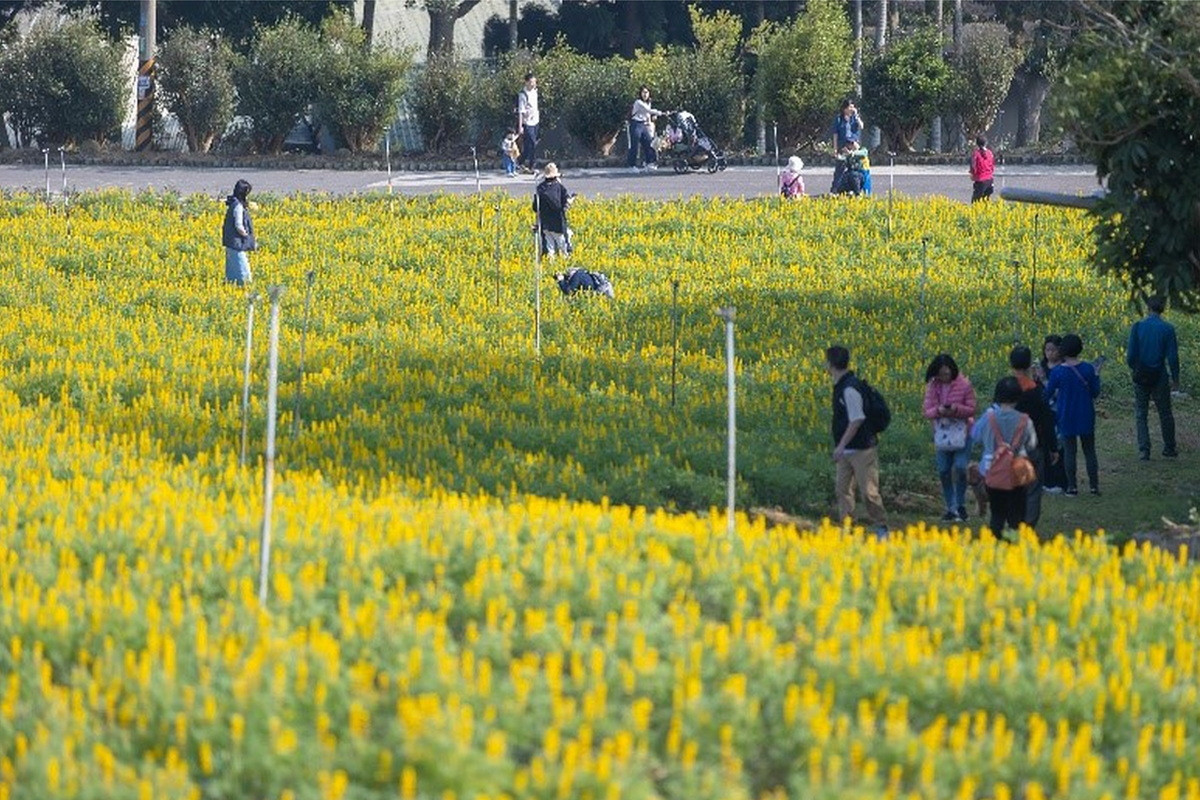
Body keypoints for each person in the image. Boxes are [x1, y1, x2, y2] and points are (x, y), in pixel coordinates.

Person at [826, 345, 887, 532]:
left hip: (862, 449)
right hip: (847, 449)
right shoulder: (842, 385)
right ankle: (848, 526)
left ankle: (881, 526)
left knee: (869, 492)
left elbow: (857, 419)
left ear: (830, 364)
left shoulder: (849, 389)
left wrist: (841, 445)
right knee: (842, 489)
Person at [971, 377, 1038, 537]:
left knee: (997, 512)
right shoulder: (1025, 420)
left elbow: (975, 435)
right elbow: (1032, 444)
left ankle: (996, 540)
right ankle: (1014, 541)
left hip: (992, 470)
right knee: (1016, 512)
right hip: (1017, 471)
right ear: (1018, 396)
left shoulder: (988, 417)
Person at [1044, 333, 1101, 496]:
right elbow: (1095, 392)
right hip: (1086, 414)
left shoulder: (1058, 372)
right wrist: (1097, 376)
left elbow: (1047, 394)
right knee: (1089, 451)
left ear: (1062, 350)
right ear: (1079, 349)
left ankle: (1072, 487)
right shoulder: (1088, 368)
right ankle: (1094, 487)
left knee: (1070, 452)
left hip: (1066, 414)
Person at [922, 353, 977, 522]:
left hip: (962, 433)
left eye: (946, 373)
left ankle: (960, 505)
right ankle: (950, 507)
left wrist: (956, 409)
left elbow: (972, 409)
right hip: (943, 434)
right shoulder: (933, 386)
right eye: (940, 374)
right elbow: (927, 411)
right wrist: (938, 410)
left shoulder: (964, 384)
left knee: (960, 467)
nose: (943, 377)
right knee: (943, 470)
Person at [1010, 345, 1059, 528]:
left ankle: (1014, 523)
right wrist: (1053, 447)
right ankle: (1028, 526)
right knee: (1033, 487)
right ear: (1030, 364)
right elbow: (1047, 420)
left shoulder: (1005, 387)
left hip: (1010, 445)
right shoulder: (1036, 390)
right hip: (1033, 444)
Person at [1127, 295, 1180, 460]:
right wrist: (1175, 379)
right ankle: (1169, 448)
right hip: (1160, 376)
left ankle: (1144, 450)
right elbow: (1172, 357)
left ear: (1148, 308)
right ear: (1162, 309)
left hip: (1141, 374)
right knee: (1165, 412)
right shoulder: (1168, 329)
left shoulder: (1137, 327)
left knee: (1141, 413)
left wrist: (1136, 369)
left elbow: (1130, 356)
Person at [1035, 335, 1067, 492]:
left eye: (1053, 350)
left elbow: (1059, 393)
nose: (1050, 353)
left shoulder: (1064, 368)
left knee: (1059, 446)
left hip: (1059, 412)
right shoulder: (1041, 366)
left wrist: (1043, 379)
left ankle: (1060, 481)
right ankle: (1047, 481)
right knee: (1045, 445)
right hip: (1044, 411)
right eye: (1047, 349)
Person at [532, 163, 573, 257]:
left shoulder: (540, 188)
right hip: (557, 222)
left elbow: (535, 207)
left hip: (544, 223)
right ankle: (565, 261)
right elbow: (564, 203)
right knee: (563, 246)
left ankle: (550, 262)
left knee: (549, 247)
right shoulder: (559, 187)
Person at [222, 178, 255, 286]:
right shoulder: (238, 206)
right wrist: (246, 235)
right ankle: (242, 283)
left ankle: (232, 283)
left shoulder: (233, 203)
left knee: (232, 264)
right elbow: (238, 225)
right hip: (236, 241)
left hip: (230, 241)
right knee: (241, 264)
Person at [628, 85, 665, 172]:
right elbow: (648, 110)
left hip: (643, 125)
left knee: (649, 143)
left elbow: (648, 114)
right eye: (643, 92)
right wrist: (661, 113)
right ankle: (631, 166)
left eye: (647, 92)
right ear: (640, 93)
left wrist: (650, 123)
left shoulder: (648, 103)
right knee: (634, 145)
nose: (645, 94)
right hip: (635, 124)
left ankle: (649, 163)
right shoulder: (638, 102)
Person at [830, 99, 864, 193]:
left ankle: (854, 188)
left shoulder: (854, 118)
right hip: (843, 145)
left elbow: (861, 126)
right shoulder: (839, 119)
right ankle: (835, 189)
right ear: (844, 108)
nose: (852, 109)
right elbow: (835, 134)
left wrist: (857, 116)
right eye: (850, 107)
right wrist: (835, 148)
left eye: (853, 107)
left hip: (853, 145)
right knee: (840, 167)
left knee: (854, 167)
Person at [516, 72, 539, 173]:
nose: (533, 84)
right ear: (526, 82)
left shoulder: (535, 91)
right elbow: (521, 111)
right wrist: (520, 126)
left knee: (529, 145)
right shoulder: (523, 94)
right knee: (532, 143)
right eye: (531, 82)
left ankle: (519, 161)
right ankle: (532, 166)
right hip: (527, 122)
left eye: (534, 82)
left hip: (535, 121)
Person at [970, 135, 995, 202]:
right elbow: (992, 166)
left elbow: (973, 167)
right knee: (986, 201)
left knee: (975, 201)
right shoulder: (990, 153)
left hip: (980, 180)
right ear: (986, 143)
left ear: (977, 144)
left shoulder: (976, 154)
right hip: (990, 180)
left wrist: (973, 175)